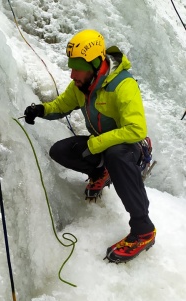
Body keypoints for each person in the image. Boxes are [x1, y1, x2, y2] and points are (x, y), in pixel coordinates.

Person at [23, 29, 156, 263]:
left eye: (77, 67)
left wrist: (97, 144)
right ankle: (100, 172)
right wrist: (41, 110)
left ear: (95, 64)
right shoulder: (82, 84)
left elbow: (137, 129)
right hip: (103, 146)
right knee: (60, 151)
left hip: (129, 149)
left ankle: (143, 230)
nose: (72, 74)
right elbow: (62, 105)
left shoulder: (123, 85)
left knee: (116, 154)